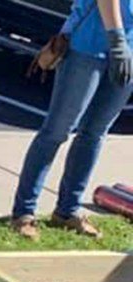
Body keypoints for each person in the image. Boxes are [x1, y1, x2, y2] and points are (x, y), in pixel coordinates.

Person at [10, 0, 133, 240]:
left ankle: (68, 210)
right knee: (57, 130)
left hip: (128, 52)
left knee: (95, 133)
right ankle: (23, 212)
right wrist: (117, 40)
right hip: (88, 47)